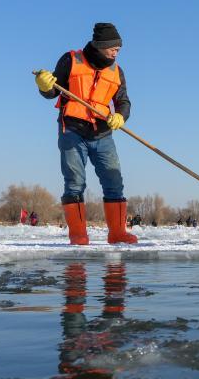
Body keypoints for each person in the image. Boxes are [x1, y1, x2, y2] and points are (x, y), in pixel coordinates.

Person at [34, 22, 138, 246]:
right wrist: (44, 86)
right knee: (74, 182)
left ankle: (118, 233)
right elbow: (52, 92)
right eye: (113, 48)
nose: (116, 52)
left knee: (114, 182)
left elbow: (123, 102)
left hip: (102, 133)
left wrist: (121, 116)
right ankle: (78, 235)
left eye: (118, 49)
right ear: (100, 45)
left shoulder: (117, 71)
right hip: (72, 129)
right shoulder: (71, 60)